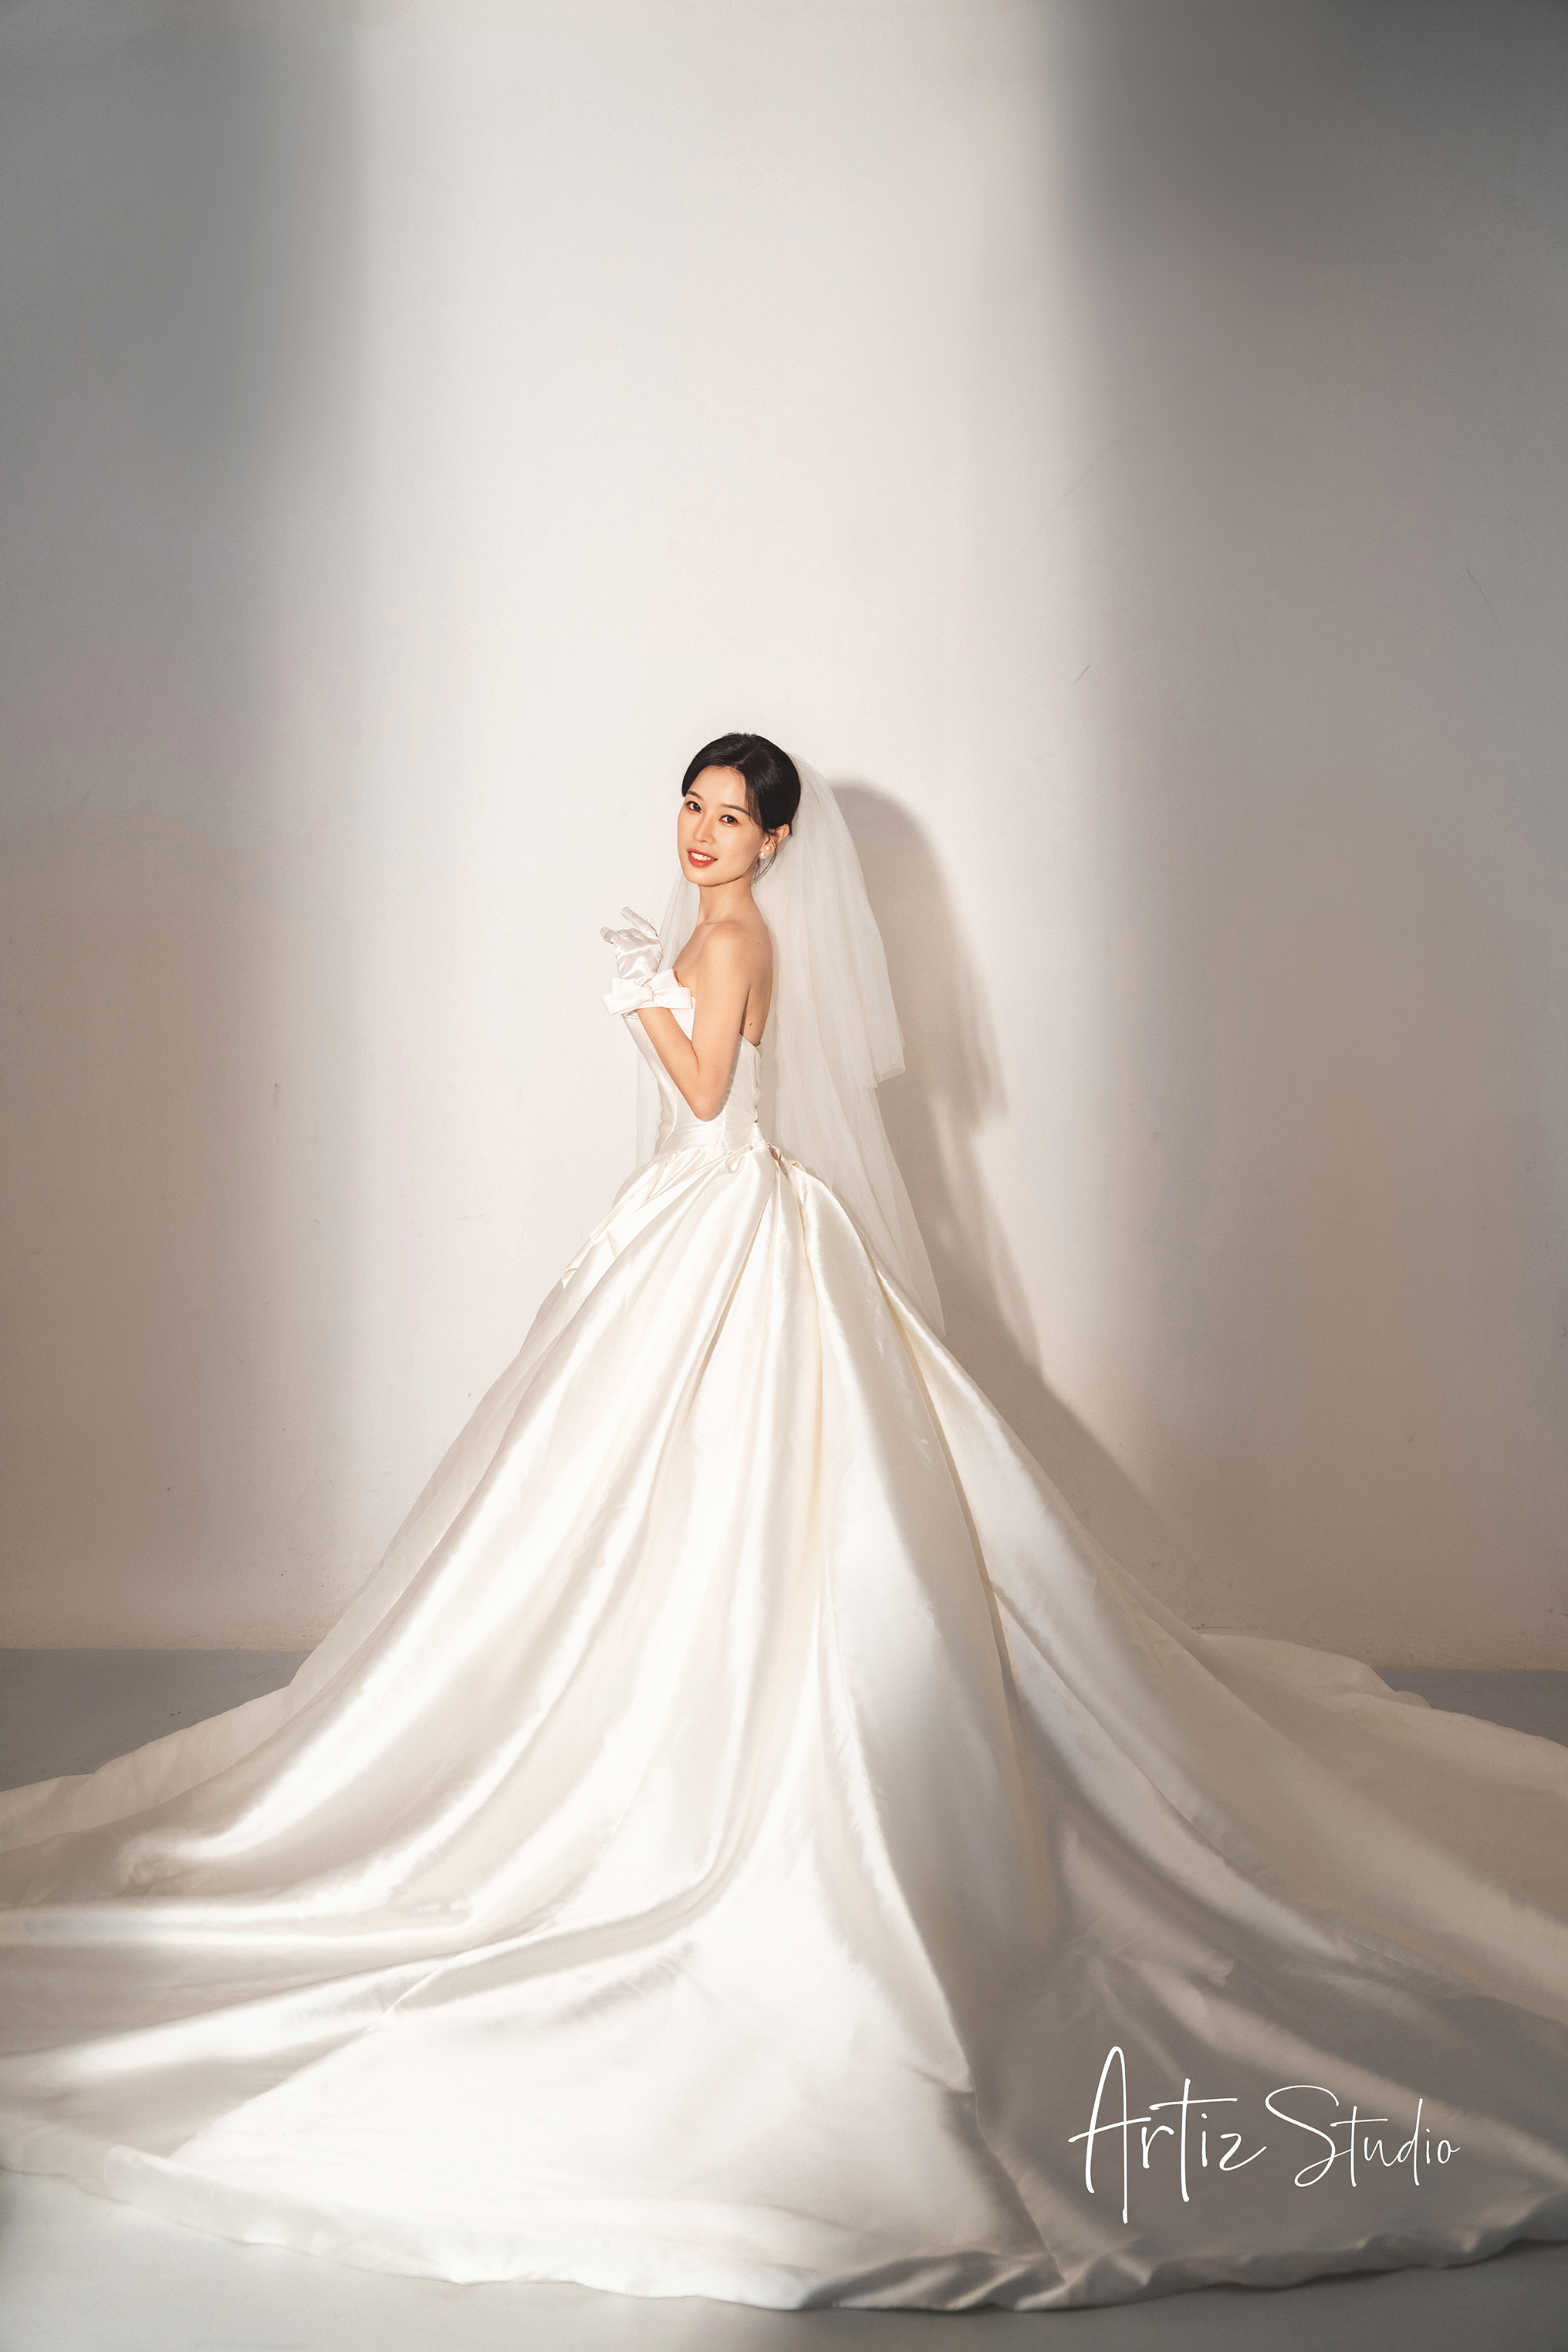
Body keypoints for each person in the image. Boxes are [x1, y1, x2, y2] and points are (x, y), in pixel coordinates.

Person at [1, 733, 1565, 2312]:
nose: (700, 835)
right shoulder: (728, 924)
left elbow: (704, 1090)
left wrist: (637, 990)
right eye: (690, 808)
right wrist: (653, 976)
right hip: (708, 1216)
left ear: (775, 843)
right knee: (646, 1478)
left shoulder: (737, 935)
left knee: (740, 1471)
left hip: (726, 1214)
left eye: (729, 818)